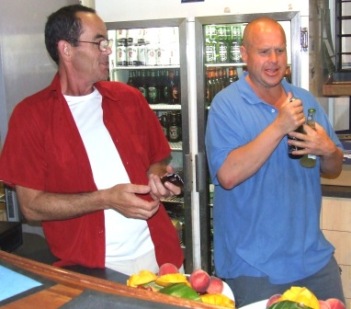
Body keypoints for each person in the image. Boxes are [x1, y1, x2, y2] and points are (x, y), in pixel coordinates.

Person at [0, 4, 184, 275]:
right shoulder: (30, 115)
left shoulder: (128, 98)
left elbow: (158, 158)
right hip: (95, 268)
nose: (108, 49)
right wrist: (107, 199)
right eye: (99, 42)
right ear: (66, 49)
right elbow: (31, 207)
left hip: (161, 255)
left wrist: (156, 179)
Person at [205, 17, 345, 307]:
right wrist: (279, 126)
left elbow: (333, 169)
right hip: (254, 268)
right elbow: (228, 175)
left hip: (314, 260)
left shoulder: (306, 100)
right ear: (244, 55)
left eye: (280, 51)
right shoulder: (226, 104)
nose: (273, 60)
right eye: (264, 51)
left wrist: (328, 149)